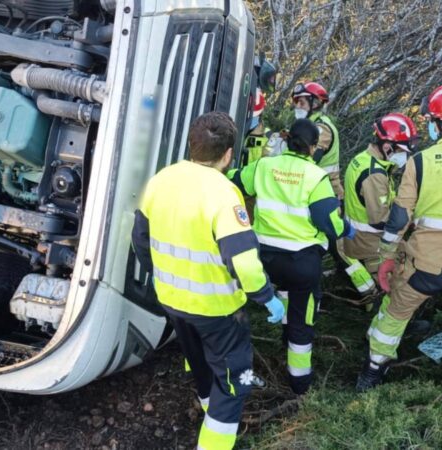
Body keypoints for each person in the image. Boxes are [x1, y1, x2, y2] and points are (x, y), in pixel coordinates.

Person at [131, 111, 285, 450]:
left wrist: (159, 277)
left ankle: (207, 410)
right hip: (219, 311)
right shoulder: (224, 193)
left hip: (173, 302)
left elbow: (140, 238)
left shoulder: (162, 180)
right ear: (228, 154)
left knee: (198, 360)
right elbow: (243, 261)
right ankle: (215, 436)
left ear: (191, 145)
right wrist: (266, 296)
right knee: (235, 385)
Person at [357, 83, 442, 391]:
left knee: (394, 314)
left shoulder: (420, 161)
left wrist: (386, 258)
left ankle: (373, 371)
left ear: (439, 123)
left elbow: (399, 218)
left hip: (422, 266)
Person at [229, 119, 355, 395]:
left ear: (286, 141)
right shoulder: (316, 176)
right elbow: (328, 223)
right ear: (312, 148)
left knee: (251, 304)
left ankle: (236, 367)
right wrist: (346, 227)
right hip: (301, 263)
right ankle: (299, 384)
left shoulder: (265, 166)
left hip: (264, 259)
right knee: (301, 320)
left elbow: (234, 181)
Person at [292, 81, 373, 297]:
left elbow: (307, 158)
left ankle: (370, 292)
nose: (297, 105)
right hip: (314, 195)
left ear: (316, 103)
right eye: (295, 101)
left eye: (302, 101)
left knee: (341, 250)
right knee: (324, 246)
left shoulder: (322, 128)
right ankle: (339, 284)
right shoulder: (308, 124)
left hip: (328, 196)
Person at [343, 113, 418, 298]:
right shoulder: (375, 175)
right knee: (397, 278)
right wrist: (408, 219)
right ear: (387, 146)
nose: (405, 156)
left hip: (356, 236)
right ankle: (390, 314)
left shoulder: (364, 158)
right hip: (370, 242)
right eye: (401, 151)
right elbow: (380, 220)